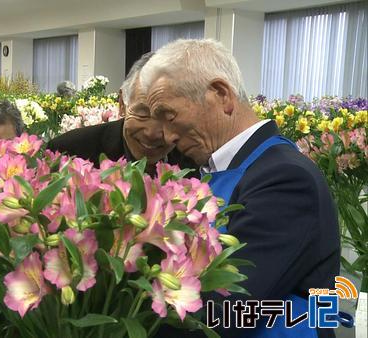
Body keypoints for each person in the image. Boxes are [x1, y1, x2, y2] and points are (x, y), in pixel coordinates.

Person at [140, 39, 339, 338]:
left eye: (170, 117)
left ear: (221, 95)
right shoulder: (208, 169)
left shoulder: (285, 179)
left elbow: (230, 309)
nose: (167, 136)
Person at [47, 52, 196, 174]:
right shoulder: (68, 151)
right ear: (122, 104)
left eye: (167, 118)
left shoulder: (194, 157)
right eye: (142, 114)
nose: (152, 133)